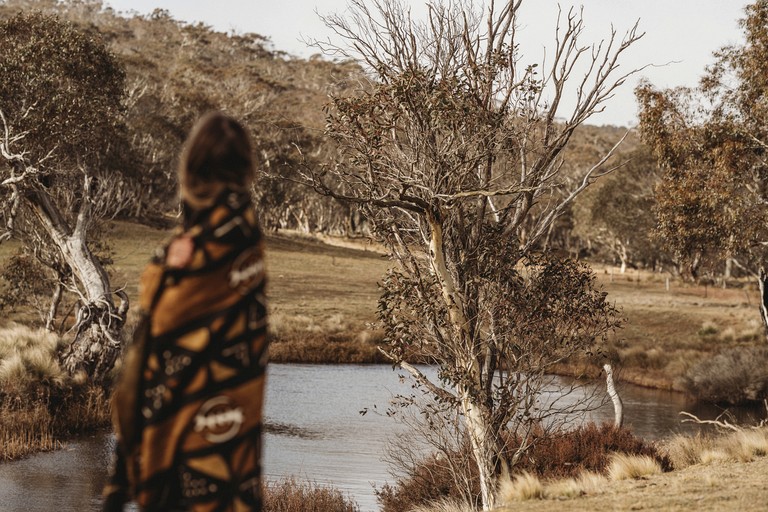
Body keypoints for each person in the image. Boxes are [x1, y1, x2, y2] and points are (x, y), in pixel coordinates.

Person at [103, 112, 268, 511]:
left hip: (178, 455)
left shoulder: (185, 255)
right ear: (246, 172)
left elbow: (144, 361)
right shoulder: (249, 245)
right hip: (236, 463)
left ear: (190, 171)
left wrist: (118, 485)